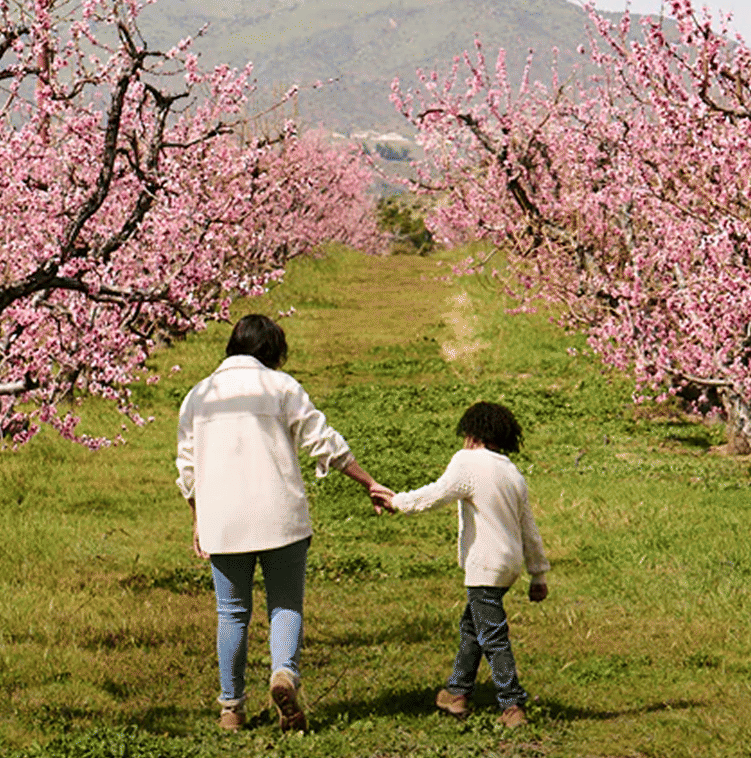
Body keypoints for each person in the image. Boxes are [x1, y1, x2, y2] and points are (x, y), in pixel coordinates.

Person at [175, 313, 388, 733]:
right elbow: (322, 440)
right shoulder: (281, 387)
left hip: (224, 519)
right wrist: (368, 481)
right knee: (285, 604)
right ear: (272, 350)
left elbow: (187, 466)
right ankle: (284, 674)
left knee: (232, 613)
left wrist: (198, 518)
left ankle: (231, 708)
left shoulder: (199, 395)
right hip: (280, 515)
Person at [384, 401, 549, 728]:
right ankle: (457, 692)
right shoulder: (512, 472)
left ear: (472, 434)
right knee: (473, 628)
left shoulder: (468, 461)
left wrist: (397, 501)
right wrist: (538, 574)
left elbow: (436, 494)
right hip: (509, 565)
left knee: (493, 636)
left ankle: (512, 704)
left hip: (484, 564)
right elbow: (528, 527)